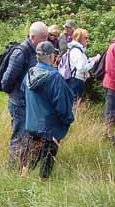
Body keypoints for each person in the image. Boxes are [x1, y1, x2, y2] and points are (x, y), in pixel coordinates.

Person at [21, 41, 75, 180]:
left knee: (27, 165)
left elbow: (23, 96)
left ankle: (20, 189)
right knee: (44, 173)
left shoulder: (29, 74)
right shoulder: (55, 78)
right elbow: (63, 108)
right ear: (51, 56)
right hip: (50, 131)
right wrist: (65, 124)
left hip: (31, 127)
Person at [0, 22, 49, 167]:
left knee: (28, 137)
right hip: (19, 104)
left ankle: (23, 167)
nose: (45, 42)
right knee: (19, 137)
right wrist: (18, 95)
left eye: (46, 38)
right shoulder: (20, 53)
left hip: (30, 104)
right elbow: (6, 81)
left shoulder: (36, 51)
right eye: (42, 38)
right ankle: (11, 169)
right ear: (33, 37)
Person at [64, 28, 100, 102]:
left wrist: (91, 59)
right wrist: (94, 62)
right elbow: (81, 68)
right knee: (75, 103)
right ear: (79, 38)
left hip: (76, 80)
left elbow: (83, 62)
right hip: (76, 81)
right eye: (85, 38)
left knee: (75, 103)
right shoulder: (77, 51)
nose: (87, 40)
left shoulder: (77, 49)